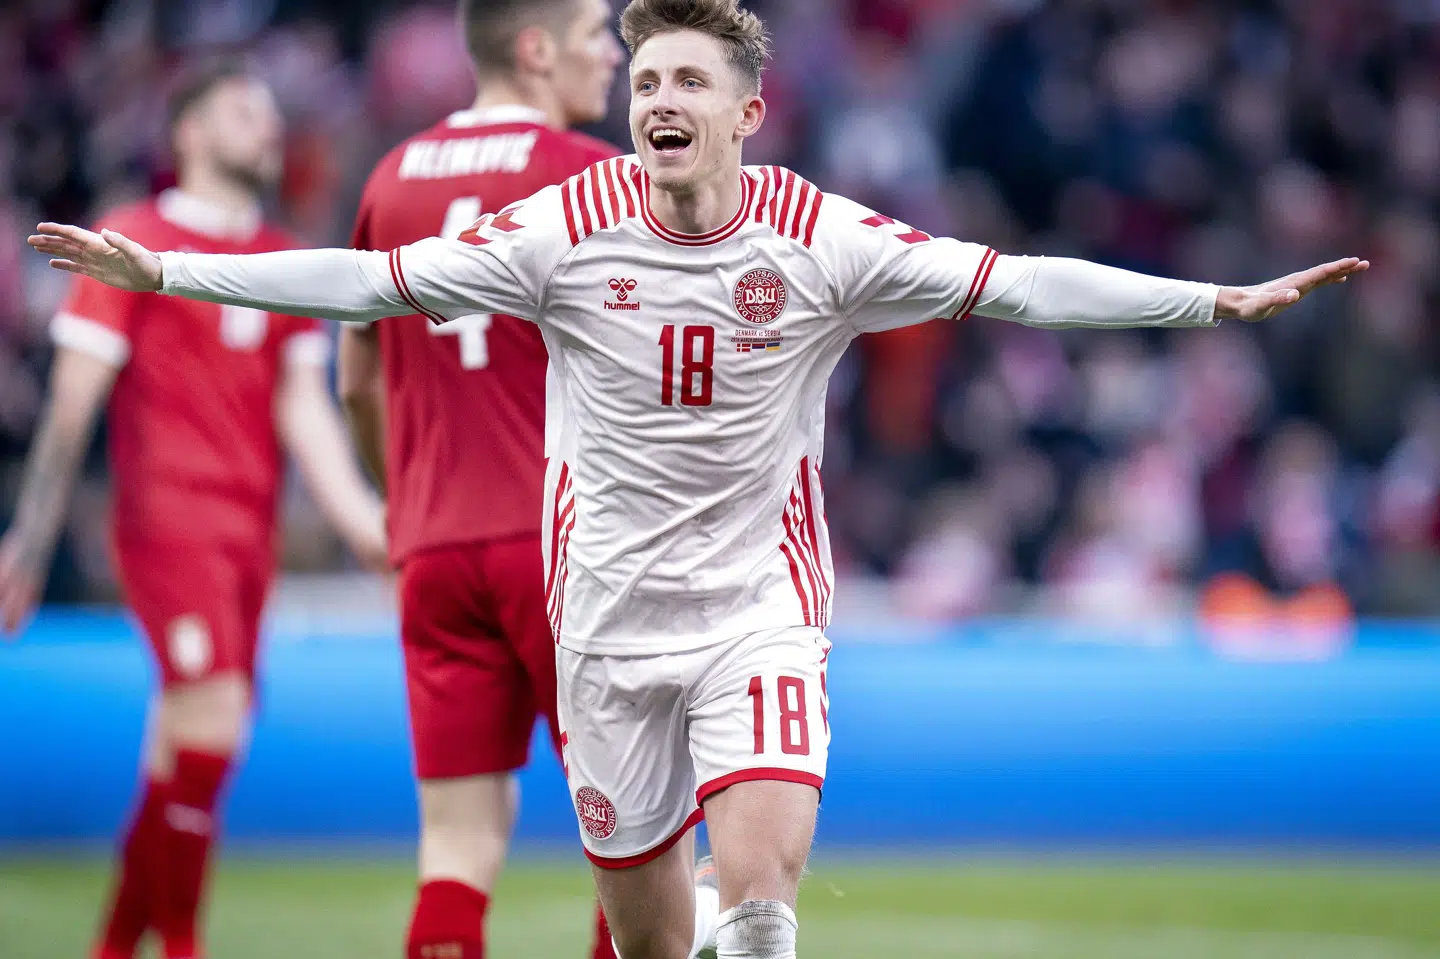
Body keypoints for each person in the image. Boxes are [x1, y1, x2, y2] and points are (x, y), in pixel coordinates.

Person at [26, 0, 1369, 955]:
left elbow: (1020, 286)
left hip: (755, 609)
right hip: (603, 627)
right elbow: (368, 285)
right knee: (652, 936)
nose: (656, 101)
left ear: (746, 111)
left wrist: (1213, 302)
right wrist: (169, 270)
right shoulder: (562, 228)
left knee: (764, 900)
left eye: (683, 83)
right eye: (644, 81)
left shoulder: (818, 235)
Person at [6, 61, 386, 959]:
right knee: (208, 727)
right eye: (242, 111)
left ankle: (113, 943)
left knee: (188, 751)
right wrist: (28, 537)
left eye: (268, 112)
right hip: (169, 525)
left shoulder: (283, 259)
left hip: (248, 540)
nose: (267, 127)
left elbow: (307, 417)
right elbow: (71, 407)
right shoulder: (130, 242)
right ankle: (181, 942)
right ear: (189, 134)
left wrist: (369, 527)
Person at [335, 1, 673, 957]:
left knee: (454, 843)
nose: (614, 54)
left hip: (436, 547)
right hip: (571, 545)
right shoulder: (592, 179)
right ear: (535, 51)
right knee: (643, 835)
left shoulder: (389, 176)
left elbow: (357, 378)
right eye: (596, 34)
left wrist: (401, 503)